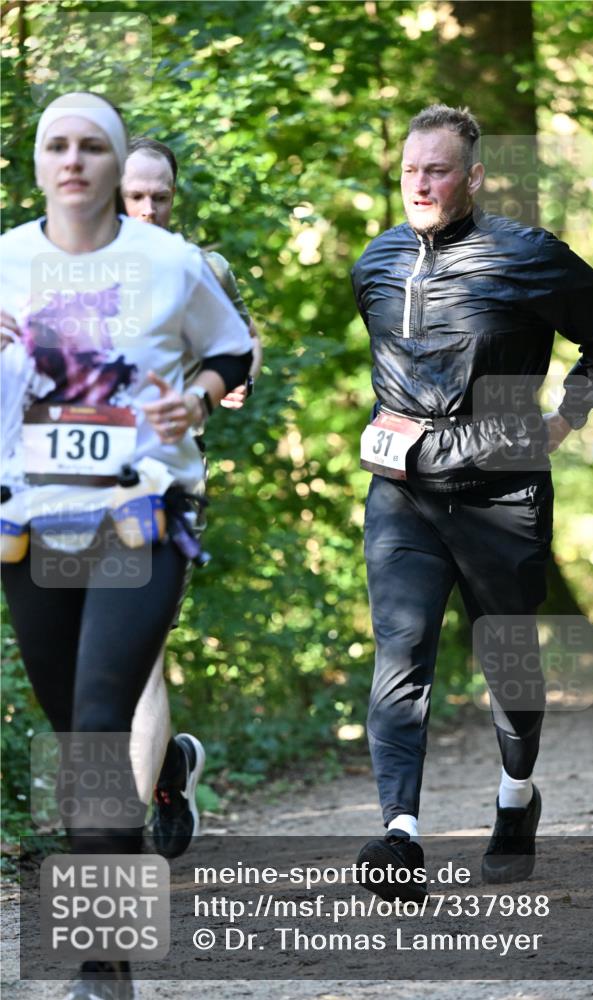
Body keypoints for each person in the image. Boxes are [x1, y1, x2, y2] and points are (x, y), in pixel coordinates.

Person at [0, 92, 253, 1000]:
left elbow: (236, 352)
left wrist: (202, 392)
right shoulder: (3, 264)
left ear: (117, 166)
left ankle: (102, 969)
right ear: (36, 163)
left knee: (102, 724)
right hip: (31, 528)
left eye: (92, 146)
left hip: (140, 516)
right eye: (56, 145)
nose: (73, 161)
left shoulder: (171, 262)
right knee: (76, 741)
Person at [350, 104, 593, 897]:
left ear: (472, 176)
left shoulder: (525, 253)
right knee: (399, 655)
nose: (420, 183)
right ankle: (399, 834)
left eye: (436, 169)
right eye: (410, 169)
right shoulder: (374, 263)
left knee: (508, 665)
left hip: (501, 485)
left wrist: (568, 415)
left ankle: (516, 798)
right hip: (401, 491)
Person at [119, 136, 261, 859]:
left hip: (162, 486)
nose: (147, 209)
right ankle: (169, 766)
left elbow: (242, 343)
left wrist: (229, 381)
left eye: (160, 197)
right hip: (60, 492)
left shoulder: (198, 269)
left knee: (137, 657)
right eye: (135, 195)